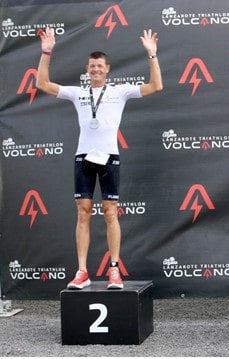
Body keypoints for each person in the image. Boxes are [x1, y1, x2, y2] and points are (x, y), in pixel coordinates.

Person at [36, 27, 163, 289]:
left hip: (109, 158)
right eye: (92, 66)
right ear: (87, 69)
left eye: (100, 66)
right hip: (83, 158)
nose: (95, 70)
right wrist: (46, 51)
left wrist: (152, 55)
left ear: (108, 69)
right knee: (83, 214)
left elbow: (156, 86)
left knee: (110, 213)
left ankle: (114, 270)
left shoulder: (120, 92)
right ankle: (82, 271)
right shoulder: (77, 93)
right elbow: (42, 84)